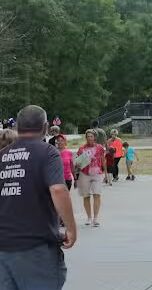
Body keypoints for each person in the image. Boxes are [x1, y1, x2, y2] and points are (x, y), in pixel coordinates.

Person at [0, 105, 77, 290]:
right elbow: (59, 190)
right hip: (36, 246)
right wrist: (71, 228)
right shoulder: (48, 153)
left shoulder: (2, 156)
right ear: (45, 127)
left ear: (17, 126)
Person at [76, 129, 107, 227]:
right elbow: (77, 163)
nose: (89, 138)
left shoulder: (100, 148)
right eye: (88, 136)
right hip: (85, 174)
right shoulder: (81, 149)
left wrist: (106, 175)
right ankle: (89, 217)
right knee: (86, 196)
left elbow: (103, 160)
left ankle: (95, 218)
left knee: (97, 194)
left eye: (91, 136)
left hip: (97, 173)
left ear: (95, 137)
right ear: (86, 138)